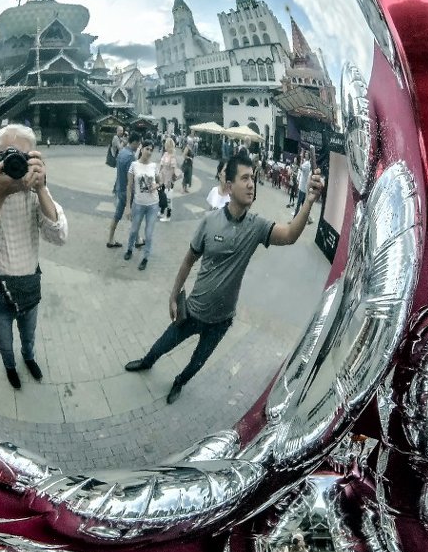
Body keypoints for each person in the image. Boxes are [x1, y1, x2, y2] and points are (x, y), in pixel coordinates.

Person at [125, 153, 325, 403]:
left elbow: (290, 235)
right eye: (244, 178)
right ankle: (147, 361)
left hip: (221, 321)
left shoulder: (256, 227)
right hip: (193, 312)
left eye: (252, 177)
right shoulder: (210, 222)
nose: (251, 183)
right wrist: (174, 295)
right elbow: (188, 260)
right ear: (229, 187)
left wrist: (309, 201)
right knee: (164, 343)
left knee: (198, 361)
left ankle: (179, 382)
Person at [0, 124, 67, 390]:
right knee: (4, 341)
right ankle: (10, 366)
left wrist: (41, 188)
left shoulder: (33, 181)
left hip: (30, 283)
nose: (15, 161)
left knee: (29, 336)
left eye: (23, 155)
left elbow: (59, 236)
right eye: (9, 154)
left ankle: (28, 357)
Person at [125, 139, 160, 271]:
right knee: (134, 230)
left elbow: (160, 181)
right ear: (142, 149)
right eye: (147, 149)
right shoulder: (134, 165)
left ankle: (145, 257)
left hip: (153, 204)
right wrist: (128, 207)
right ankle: (129, 249)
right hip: (138, 204)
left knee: (149, 234)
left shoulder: (153, 166)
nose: (149, 152)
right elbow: (129, 186)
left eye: (151, 150)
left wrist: (156, 185)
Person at [107, 131, 141, 248]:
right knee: (134, 215)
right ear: (135, 142)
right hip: (127, 191)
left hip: (119, 188)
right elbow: (131, 179)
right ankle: (137, 239)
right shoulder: (131, 157)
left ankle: (111, 239)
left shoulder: (122, 152)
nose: (138, 147)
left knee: (117, 216)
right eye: (138, 144)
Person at [158, 138, 178, 221]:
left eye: (166, 145)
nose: (165, 146)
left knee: (169, 198)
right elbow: (161, 164)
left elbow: (173, 168)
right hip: (163, 178)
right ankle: (162, 212)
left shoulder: (172, 156)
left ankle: (168, 216)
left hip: (169, 180)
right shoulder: (165, 154)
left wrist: (170, 181)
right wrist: (159, 173)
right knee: (162, 195)